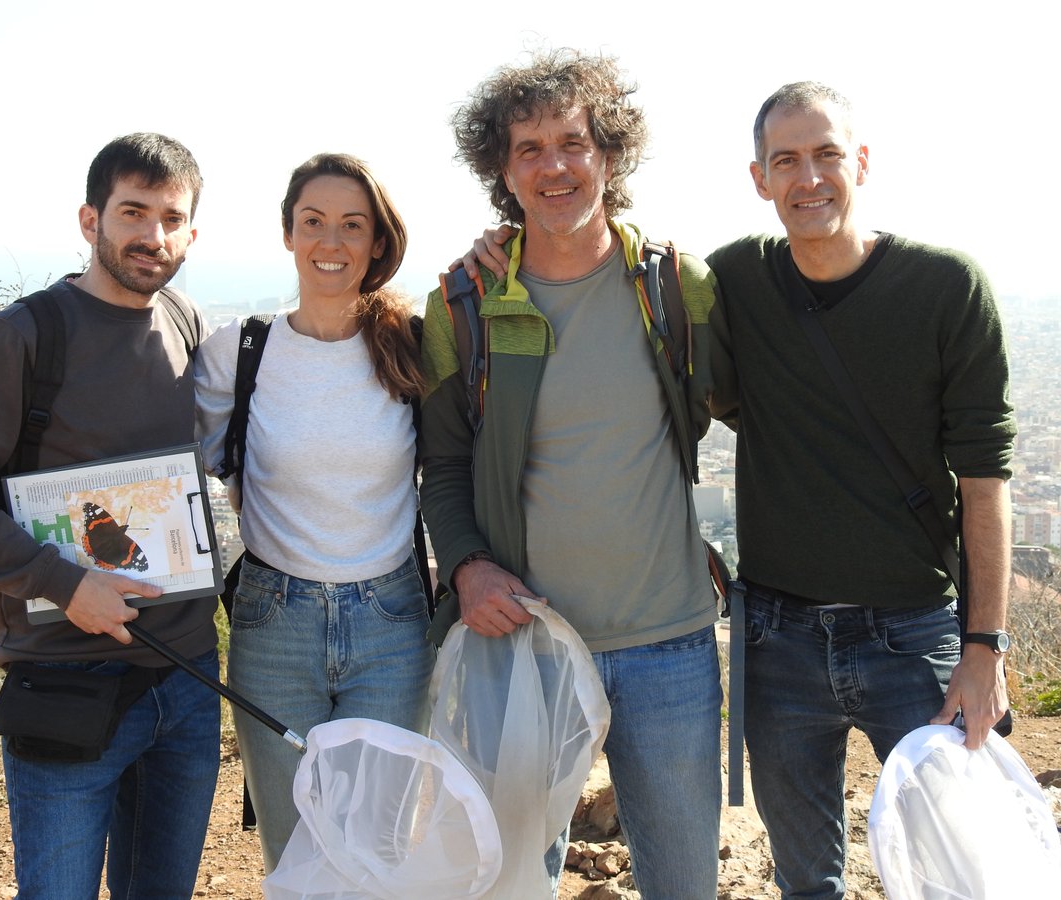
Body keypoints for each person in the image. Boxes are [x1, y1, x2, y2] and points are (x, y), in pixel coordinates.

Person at [418, 51, 726, 899]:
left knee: (683, 878)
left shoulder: (670, 285)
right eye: (528, 148)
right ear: (502, 171)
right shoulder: (464, 305)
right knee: (507, 880)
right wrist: (470, 565)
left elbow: (757, 404)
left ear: (609, 156)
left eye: (572, 142)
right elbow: (442, 463)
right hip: (523, 643)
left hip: (668, 639)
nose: (553, 165)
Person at [704, 82, 1015, 899]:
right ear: (759, 179)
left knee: (958, 867)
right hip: (777, 639)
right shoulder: (737, 278)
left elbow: (986, 483)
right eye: (786, 161)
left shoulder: (946, 288)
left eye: (826, 154)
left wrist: (984, 648)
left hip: (914, 636)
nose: (809, 178)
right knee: (807, 879)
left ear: (862, 163)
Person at [0, 133, 221, 899]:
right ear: (91, 220)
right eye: (132, 212)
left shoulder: (184, 322)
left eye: (171, 218)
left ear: (192, 233)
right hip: (65, 683)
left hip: (183, 680)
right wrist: (64, 583)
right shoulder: (26, 335)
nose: (152, 236)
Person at [193, 153, 435, 874]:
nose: (331, 243)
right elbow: (174, 464)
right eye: (314, 222)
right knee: (295, 854)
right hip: (275, 623)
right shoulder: (239, 352)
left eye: (352, 226)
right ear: (289, 234)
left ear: (377, 243)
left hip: (392, 623)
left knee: (378, 852)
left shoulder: (413, 347)